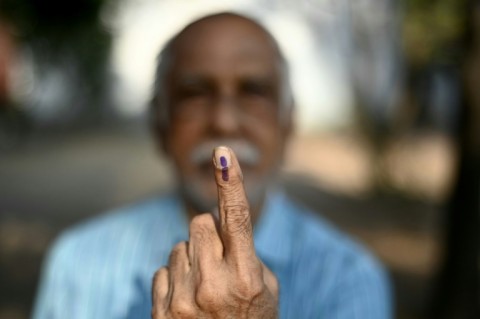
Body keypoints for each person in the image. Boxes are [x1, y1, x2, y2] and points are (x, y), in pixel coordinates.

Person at [33, 12, 392, 319]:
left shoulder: (348, 277)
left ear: (288, 125)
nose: (223, 121)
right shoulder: (79, 263)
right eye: (195, 93)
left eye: (253, 91)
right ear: (160, 125)